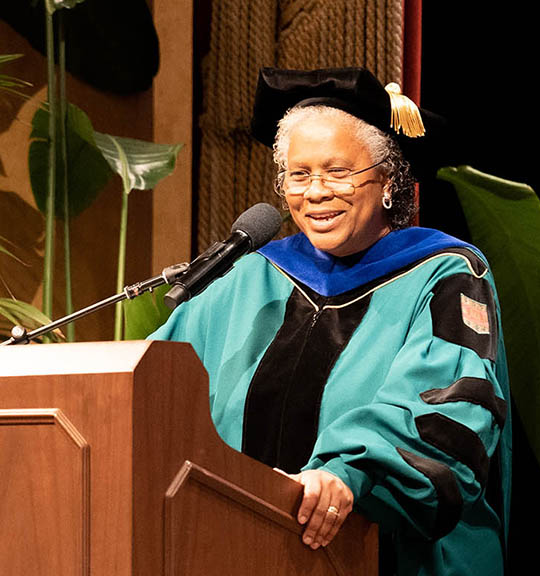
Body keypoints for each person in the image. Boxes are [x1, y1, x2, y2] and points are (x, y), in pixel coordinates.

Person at [149, 67, 512, 576]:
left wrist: (347, 473)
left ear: (387, 181)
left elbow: (449, 410)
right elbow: (152, 385)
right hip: (237, 553)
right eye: (299, 175)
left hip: (388, 560)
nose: (314, 192)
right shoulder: (247, 276)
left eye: (337, 171)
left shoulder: (446, 275)